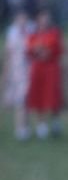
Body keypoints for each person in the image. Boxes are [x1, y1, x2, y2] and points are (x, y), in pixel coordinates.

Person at [26, 10, 64, 139]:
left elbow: (59, 49)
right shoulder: (34, 34)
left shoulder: (54, 33)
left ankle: (55, 120)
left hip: (51, 69)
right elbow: (29, 50)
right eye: (42, 19)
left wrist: (48, 52)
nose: (44, 21)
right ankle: (41, 124)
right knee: (38, 96)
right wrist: (37, 51)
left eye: (46, 19)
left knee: (52, 95)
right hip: (38, 69)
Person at [2, 11, 33, 140]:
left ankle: (25, 125)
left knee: (27, 100)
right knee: (20, 100)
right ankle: (20, 127)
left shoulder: (31, 31)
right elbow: (8, 54)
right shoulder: (12, 33)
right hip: (16, 71)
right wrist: (5, 72)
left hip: (29, 70)